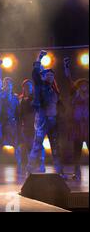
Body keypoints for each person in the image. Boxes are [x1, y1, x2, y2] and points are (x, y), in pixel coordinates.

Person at [26, 51, 66, 179]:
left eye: (51, 75)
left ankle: (60, 172)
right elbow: (35, 74)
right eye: (47, 75)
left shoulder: (55, 90)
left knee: (55, 147)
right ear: (43, 77)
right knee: (37, 145)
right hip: (42, 121)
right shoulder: (40, 85)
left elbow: (58, 106)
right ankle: (29, 170)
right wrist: (39, 57)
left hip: (53, 122)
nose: (50, 76)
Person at [0, 59, 22, 174]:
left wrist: (18, 122)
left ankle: (19, 165)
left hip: (12, 123)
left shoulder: (15, 97)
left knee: (16, 145)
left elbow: (18, 111)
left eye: (9, 83)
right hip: (1, 123)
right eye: (5, 83)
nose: (7, 84)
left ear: (12, 85)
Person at [64, 57, 88, 180]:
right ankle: (76, 172)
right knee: (77, 150)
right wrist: (66, 67)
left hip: (87, 126)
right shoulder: (76, 93)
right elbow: (69, 79)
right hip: (77, 126)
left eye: (86, 84)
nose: (84, 86)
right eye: (82, 84)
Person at [19, 79, 45, 172]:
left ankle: (41, 164)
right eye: (26, 86)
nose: (28, 87)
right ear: (23, 88)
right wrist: (20, 125)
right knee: (28, 146)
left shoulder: (36, 97)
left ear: (32, 87)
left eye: (30, 86)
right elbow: (20, 114)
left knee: (39, 144)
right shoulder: (21, 99)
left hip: (36, 124)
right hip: (26, 126)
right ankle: (31, 164)